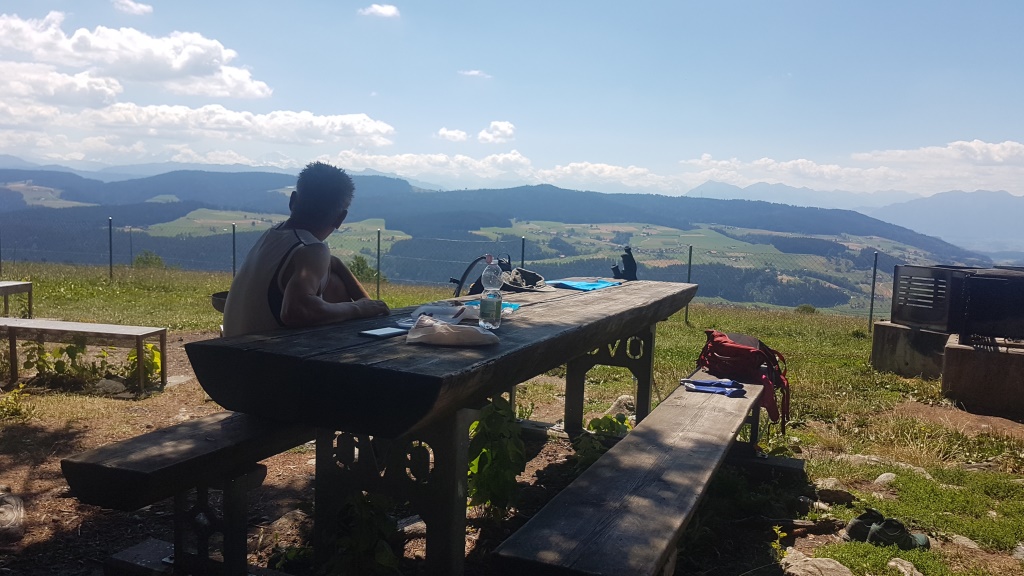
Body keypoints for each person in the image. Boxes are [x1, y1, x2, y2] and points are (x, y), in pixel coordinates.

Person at [222, 161, 390, 337]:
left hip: (231, 350)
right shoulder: (312, 249)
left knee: (333, 279)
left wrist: (362, 300)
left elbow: (330, 266)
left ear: (292, 201)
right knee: (334, 286)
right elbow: (296, 311)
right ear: (340, 218)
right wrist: (358, 308)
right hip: (266, 354)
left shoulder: (274, 236)